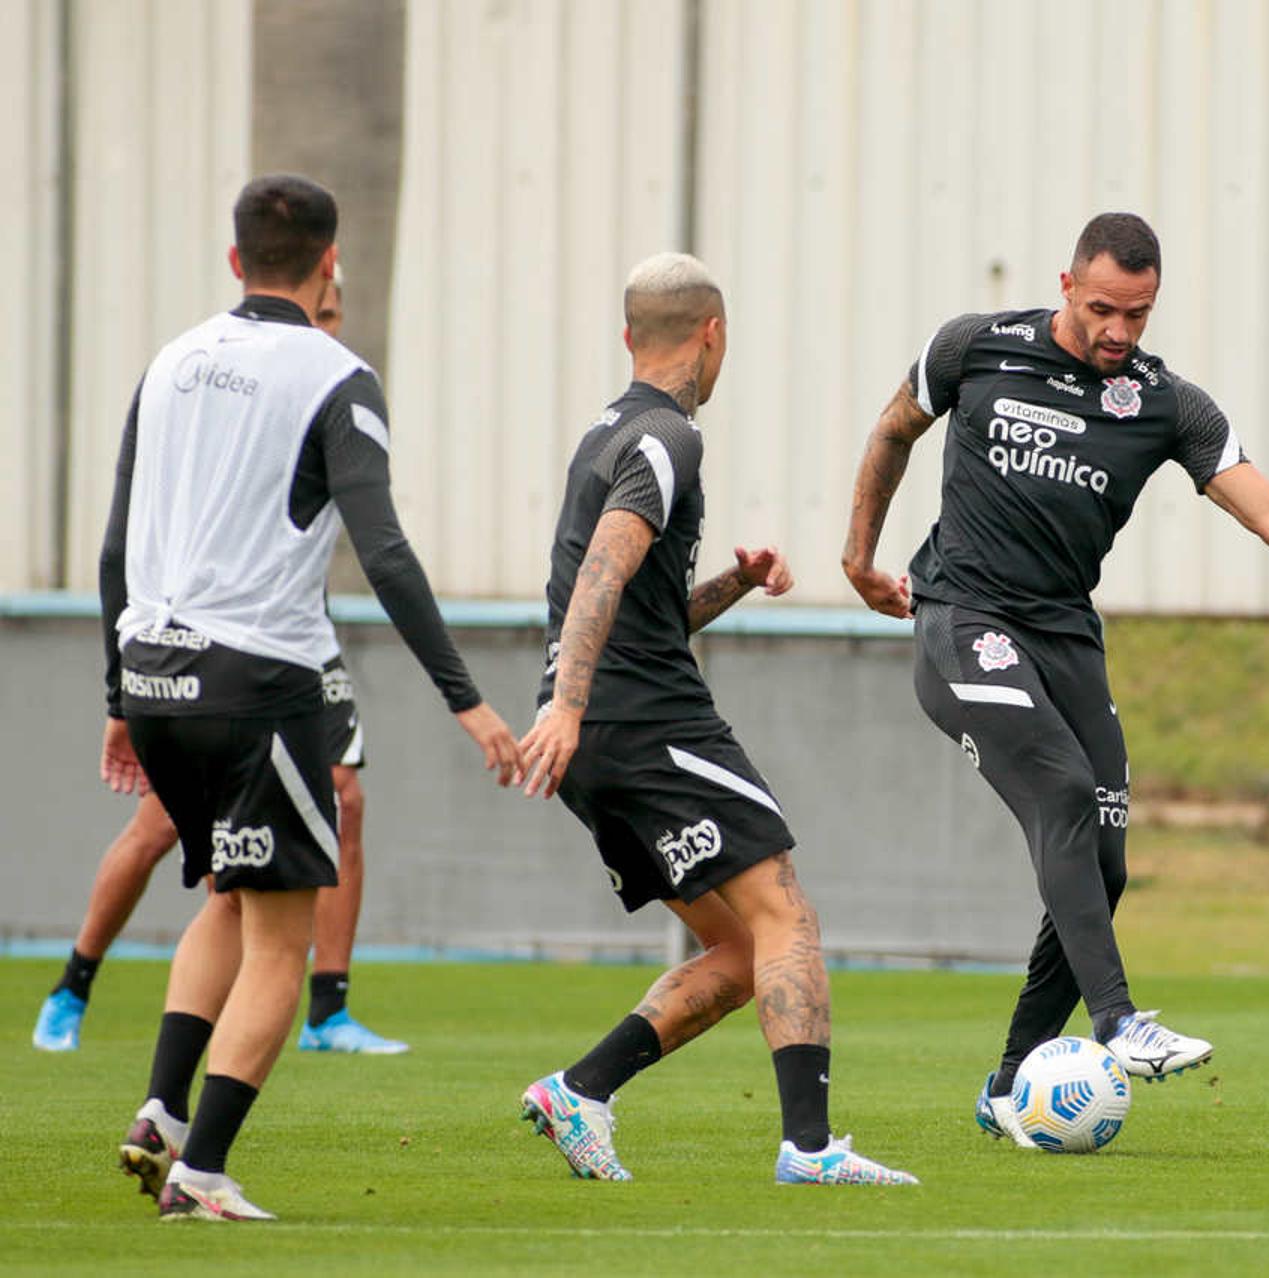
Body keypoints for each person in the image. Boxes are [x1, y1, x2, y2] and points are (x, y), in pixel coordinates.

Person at [840, 212, 1269, 1143]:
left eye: (1141, 314)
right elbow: (891, 431)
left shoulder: (1169, 404)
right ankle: (1119, 1022)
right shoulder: (974, 348)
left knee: (1103, 864)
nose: (1121, 331)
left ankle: (1007, 1087)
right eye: (1105, 309)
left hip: (1068, 637)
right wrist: (859, 558)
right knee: (1064, 793)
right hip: (964, 620)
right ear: (1067, 284)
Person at [103, 175, 522, 1221]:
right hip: (258, 682)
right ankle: (200, 1173)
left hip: (153, 670)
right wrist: (465, 699)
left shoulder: (167, 363)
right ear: (330, 266)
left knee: (228, 899)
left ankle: (160, 1105)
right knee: (283, 940)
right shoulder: (338, 375)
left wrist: (117, 693)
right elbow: (382, 547)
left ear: (235, 259)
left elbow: (118, 540)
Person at [513, 252, 915, 1187]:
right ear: (714, 334)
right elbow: (602, 576)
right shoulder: (667, 439)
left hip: (606, 727)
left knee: (740, 950)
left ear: (627, 337)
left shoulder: (606, 434)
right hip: (642, 722)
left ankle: (581, 1091)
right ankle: (811, 1150)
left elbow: (636, 608)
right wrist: (570, 706)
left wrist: (734, 581)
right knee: (786, 914)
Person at [34, 268, 407, 1057]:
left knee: (347, 798)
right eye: (321, 308)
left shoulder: (328, 386)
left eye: (336, 314)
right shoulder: (224, 384)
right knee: (163, 828)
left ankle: (327, 1009)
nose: (326, 325)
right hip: (219, 648)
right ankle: (75, 981)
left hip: (301, 637)